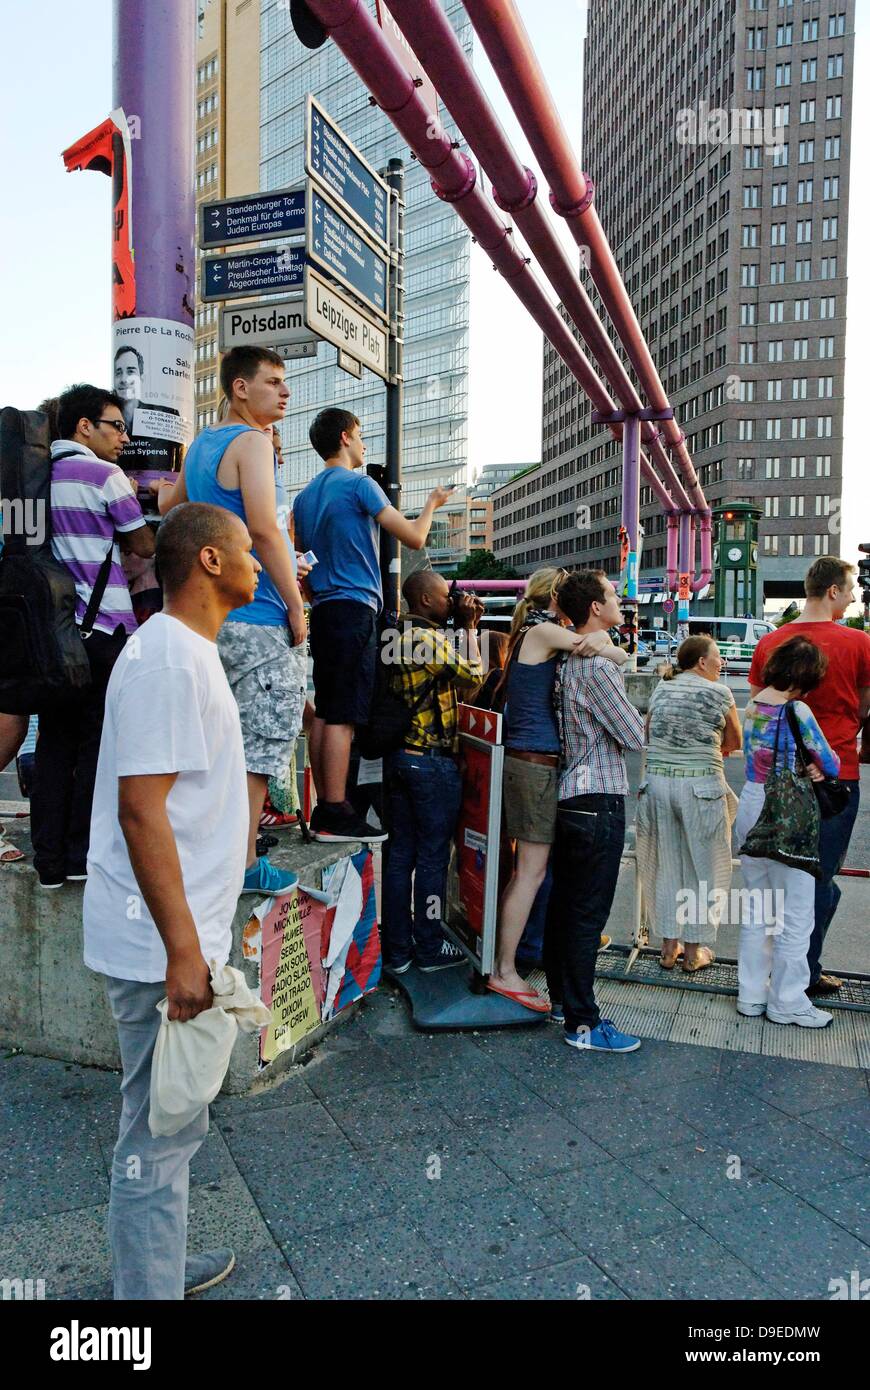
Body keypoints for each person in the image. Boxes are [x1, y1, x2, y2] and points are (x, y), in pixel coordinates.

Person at [84, 502, 257, 1299]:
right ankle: (142, 1301)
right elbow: (140, 809)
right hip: (160, 945)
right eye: (249, 551)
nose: (262, 562)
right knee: (157, 1132)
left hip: (179, 937)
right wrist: (186, 952)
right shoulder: (165, 658)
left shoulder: (187, 651)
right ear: (211, 562)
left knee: (173, 1122)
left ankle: (153, 1264)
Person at [157, 346, 307, 894]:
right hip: (260, 613)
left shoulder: (201, 444)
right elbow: (266, 529)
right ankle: (243, 865)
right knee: (262, 741)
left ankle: (210, 851)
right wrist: (294, 602)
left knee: (213, 741)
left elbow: (172, 506)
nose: (284, 392)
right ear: (239, 388)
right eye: (272, 382)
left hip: (211, 618)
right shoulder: (252, 443)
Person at [292, 408, 452, 843]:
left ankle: (327, 803)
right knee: (344, 715)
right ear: (345, 437)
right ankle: (335, 810)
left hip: (323, 608)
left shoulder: (303, 499)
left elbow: (302, 560)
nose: (364, 446)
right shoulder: (361, 485)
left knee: (326, 708)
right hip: (355, 607)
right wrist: (433, 504)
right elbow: (414, 537)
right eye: (361, 437)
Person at [30, 384, 155, 889]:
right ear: (85, 427)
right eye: (116, 426)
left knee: (55, 743)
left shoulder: (35, 479)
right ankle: (83, 856)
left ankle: (49, 862)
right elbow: (142, 545)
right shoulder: (105, 476)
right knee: (96, 745)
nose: (124, 437)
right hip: (103, 629)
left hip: (50, 636)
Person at [749, 557, 870, 995]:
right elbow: (863, 707)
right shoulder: (859, 643)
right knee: (818, 878)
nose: (854, 597)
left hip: (775, 779)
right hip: (835, 775)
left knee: (777, 875)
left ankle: (767, 971)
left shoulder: (771, 643)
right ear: (834, 591)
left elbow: (762, 706)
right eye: (850, 589)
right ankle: (800, 976)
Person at [488, 568, 603, 1012]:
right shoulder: (542, 631)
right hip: (533, 762)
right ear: (558, 596)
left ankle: (507, 961)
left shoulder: (533, 631)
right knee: (530, 871)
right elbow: (601, 649)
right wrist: (611, 647)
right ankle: (504, 970)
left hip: (531, 761)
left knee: (530, 869)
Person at [543, 570, 645, 1053]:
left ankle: (562, 1001)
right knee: (587, 915)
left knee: (566, 907)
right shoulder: (598, 667)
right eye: (611, 596)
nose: (618, 600)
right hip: (598, 797)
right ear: (594, 609)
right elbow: (632, 735)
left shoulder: (567, 660)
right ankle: (583, 1024)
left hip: (568, 795)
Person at [380, 571, 483, 973]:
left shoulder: (395, 636)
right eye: (445, 595)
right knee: (432, 859)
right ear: (425, 599)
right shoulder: (427, 640)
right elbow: (473, 677)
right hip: (430, 760)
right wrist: (470, 626)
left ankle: (397, 951)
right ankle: (428, 948)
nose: (451, 599)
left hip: (399, 758)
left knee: (399, 855)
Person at [736, 635, 841, 1027]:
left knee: (757, 907)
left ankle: (751, 995)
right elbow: (828, 762)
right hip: (787, 813)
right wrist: (815, 767)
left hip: (751, 802)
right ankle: (787, 1002)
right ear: (807, 677)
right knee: (796, 911)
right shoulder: (797, 709)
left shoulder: (755, 703)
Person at [635, 635, 742, 972]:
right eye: (718, 656)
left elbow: (649, 732)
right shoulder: (720, 692)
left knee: (666, 865)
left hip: (658, 785)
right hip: (701, 788)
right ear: (701, 662)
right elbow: (735, 740)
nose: (721, 662)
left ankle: (669, 949)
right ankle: (693, 953)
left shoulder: (662, 689)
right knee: (704, 870)